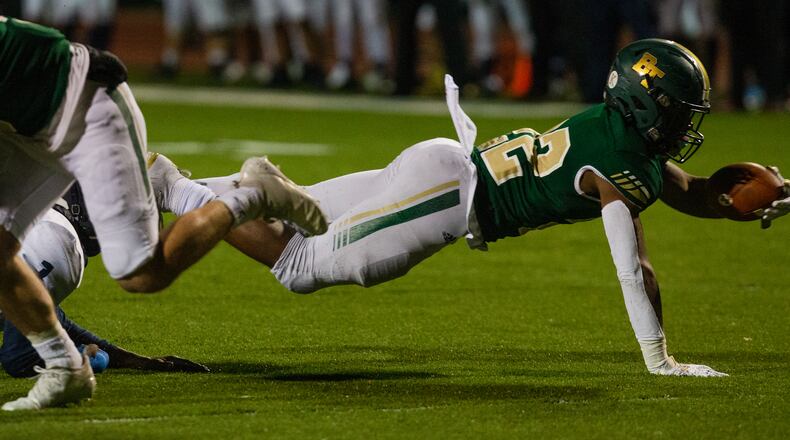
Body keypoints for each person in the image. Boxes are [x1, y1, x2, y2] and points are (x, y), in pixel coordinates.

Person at [156, 39, 790, 377]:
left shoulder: (620, 137)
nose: (684, 127)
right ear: (648, 108)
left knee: (306, 213)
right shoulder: (622, 166)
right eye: (679, 113)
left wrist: (766, 195)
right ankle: (203, 193)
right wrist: (660, 359)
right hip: (449, 200)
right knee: (299, 262)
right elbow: (634, 267)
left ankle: (156, 182)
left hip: (438, 165)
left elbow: (692, 190)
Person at [0, 17, 327, 411]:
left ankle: (254, 194)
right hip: (33, 127)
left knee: (140, 274)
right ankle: (66, 367)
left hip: (88, 108)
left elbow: (42, 48)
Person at [0, 184, 210, 378]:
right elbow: (36, 328)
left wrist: (133, 361)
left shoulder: (52, 238)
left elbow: (34, 336)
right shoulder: (55, 239)